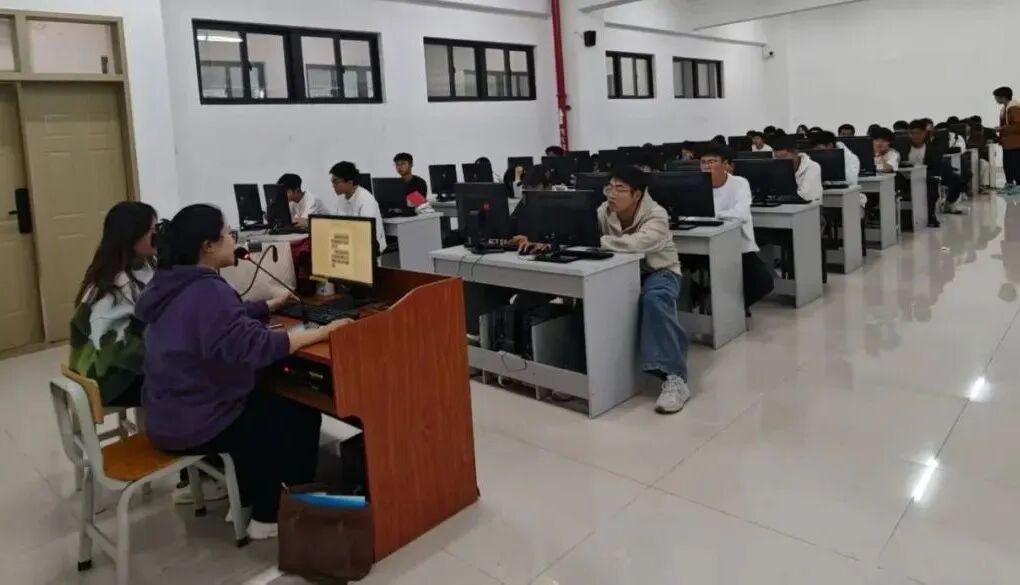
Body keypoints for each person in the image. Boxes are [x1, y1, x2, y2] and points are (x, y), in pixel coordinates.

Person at [137, 204, 350, 540]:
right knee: (299, 414)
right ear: (208, 246)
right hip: (197, 422)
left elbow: (218, 320)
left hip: (167, 414)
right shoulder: (208, 291)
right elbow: (258, 347)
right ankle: (270, 514)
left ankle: (247, 493)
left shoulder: (170, 282)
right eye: (227, 234)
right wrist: (323, 332)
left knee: (266, 396)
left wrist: (266, 306)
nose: (232, 240)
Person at [515, 166, 692, 414]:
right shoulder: (603, 211)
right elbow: (579, 232)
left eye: (620, 189)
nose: (612, 194)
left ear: (637, 195)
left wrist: (596, 242)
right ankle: (577, 371)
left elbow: (639, 243)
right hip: (617, 272)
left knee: (655, 300)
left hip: (658, 272)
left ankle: (675, 378)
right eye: (610, 187)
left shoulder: (656, 214)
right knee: (588, 301)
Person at [69, 202, 158, 408]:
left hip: (115, 367)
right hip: (109, 380)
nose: (157, 237)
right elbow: (117, 350)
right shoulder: (115, 284)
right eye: (152, 231)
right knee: (190, 381)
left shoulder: (138, 267)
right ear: (132, 236)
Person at [700, 146, 774, 311]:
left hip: (738, 245)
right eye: (703, 162)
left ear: (725, 165)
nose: (707, 166)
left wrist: (711, 215)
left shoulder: (739, 183)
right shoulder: (696, 184)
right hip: (705, 243)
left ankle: (735, 310)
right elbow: (690, 215)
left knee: (763, 282)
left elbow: (741, 214)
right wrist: (719, 216)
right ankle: (710, 304)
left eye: (712, 162)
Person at [907, 119, 963, 226]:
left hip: (927, 176)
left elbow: (935, 166)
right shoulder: (903, 147)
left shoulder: (933, 148)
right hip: (907, 177)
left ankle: (932, 215)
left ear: (925, 133)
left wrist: (931, 176)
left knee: (934, 186)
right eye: (912, 133)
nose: (915, 136)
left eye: (918, 133)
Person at [329, 161, 387, 252]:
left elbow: (365, 232)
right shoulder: (341, 198)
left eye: (335, 182)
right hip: (348, 242)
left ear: (350, 182)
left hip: (369, 247)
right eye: (332, 181)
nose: (333, 185)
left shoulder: (366, 200)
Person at [773, 136, 823, 202]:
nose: (780, 161)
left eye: (783, 157)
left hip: (810, 206)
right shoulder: (777, 167)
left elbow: (806, 195)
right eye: (777, 158)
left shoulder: (812, 167)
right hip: (785, 205)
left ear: (795, 152)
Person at [995, 86, 1020, 191]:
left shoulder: (1014, 108)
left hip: (1015, 143)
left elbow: (1017, 125)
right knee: (1007, 165)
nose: (995, 99)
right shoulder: (1004, 109)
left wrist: (1002, 129)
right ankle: (1009, 184)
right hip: (1007, 143)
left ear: (1003, 97)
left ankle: (1018, 185)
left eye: (996, 97)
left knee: (1016, 165)